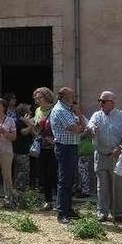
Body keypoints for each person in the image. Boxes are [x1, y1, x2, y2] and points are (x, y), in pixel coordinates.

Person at [88, 91, 122, 223]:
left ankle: (118, 213)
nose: (101, 103)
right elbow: (90, 125)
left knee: (117, 185)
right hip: (100, 155)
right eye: (99, 100)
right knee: (102, 185)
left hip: (116, 156)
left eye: (104, 101)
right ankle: (102, 212)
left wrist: (120, 147)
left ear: (112, 103)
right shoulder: (96, 115)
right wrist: (92, 129)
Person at [50, 87, 85, 223]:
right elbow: (76, 128)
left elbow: (82, 126)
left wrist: (79, 117)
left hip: (71, 147)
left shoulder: (69, 110)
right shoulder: (60, 110)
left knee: (70, 180)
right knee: (64, 180)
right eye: (71, 95)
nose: (74, 97)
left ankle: (68, 209)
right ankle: (62, 212)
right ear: (64, 97)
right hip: (64, 148)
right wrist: (79, 122)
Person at [31, 87, 57, 210]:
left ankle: (58, 200)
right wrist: (30, 124)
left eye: (40, 97)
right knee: (44, 174)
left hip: (54, 146)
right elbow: (37, 130)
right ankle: (48, 201)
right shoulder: (37, 111)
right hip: (41, 146)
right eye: (36, 97)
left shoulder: (55, 110)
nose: (37, 99)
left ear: (47, 97)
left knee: (54, 173)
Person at [13, 103, 35, 194]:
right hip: (20, 150)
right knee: (23, 169)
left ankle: (23, 187)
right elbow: (24, 132)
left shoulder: (26, 122)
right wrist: (30, 125)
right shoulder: (19, 122)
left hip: (27, 149)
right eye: (29, 111)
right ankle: (19, 188)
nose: (30, 112)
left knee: (25, 169)